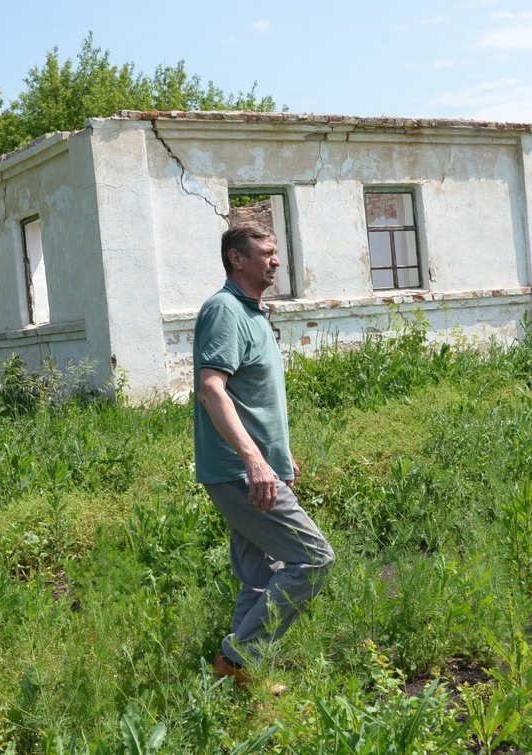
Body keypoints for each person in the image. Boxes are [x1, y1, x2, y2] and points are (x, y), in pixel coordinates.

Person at [193, 221, 335, 692]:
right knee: (314, 559)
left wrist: (279, 454)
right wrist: (254, 460)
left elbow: (255, 395)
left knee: (260, 574)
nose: (276, 260)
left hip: (257, 468)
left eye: (276, 252)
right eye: (267, 252)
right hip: (239, 472)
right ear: (237, 258)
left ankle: (237, 679)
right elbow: (211, 389)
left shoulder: (253, 313)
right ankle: (239, 655)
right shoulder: (224, 311)